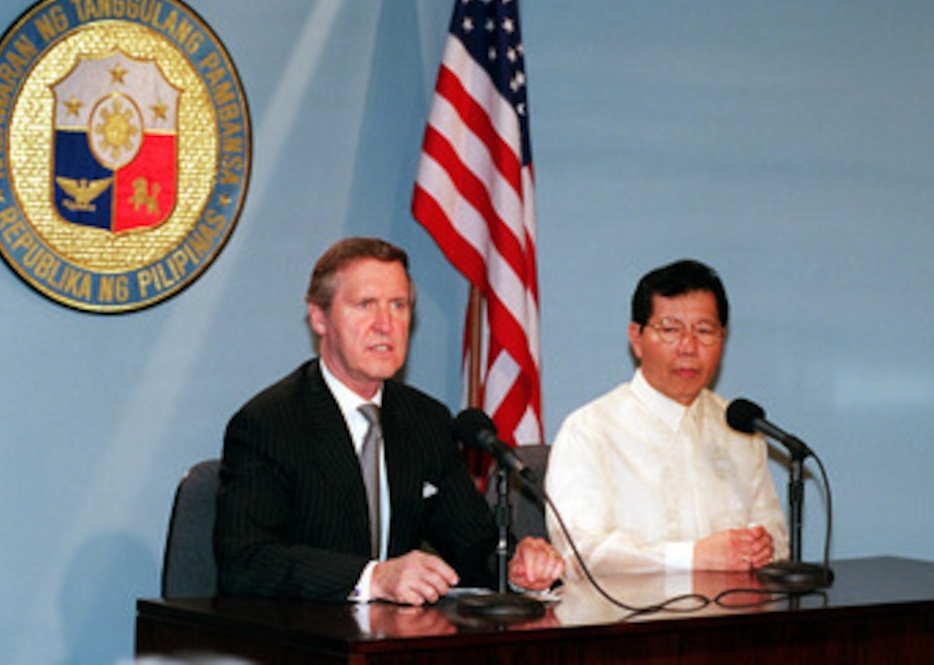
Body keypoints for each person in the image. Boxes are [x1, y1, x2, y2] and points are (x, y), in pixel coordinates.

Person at [214, 237, 563, 605]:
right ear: (319, 317)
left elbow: (473, 545)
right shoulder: (268, 424)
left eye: (398, 305)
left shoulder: (425, 420)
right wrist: (374, 578)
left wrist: (514, 566)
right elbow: (246, 563)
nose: (385, 325)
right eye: (365, 305)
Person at [544, 259, 788, 578]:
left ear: (722, 339)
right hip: (629, 624)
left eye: (704, 331)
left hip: (734, 620)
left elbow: (779, 543)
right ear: (637, 338)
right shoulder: (590, 431)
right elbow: (580, 554)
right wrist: (692, 557)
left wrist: (763, 548)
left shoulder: (740, 429)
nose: (688, 346)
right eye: (670, 329)